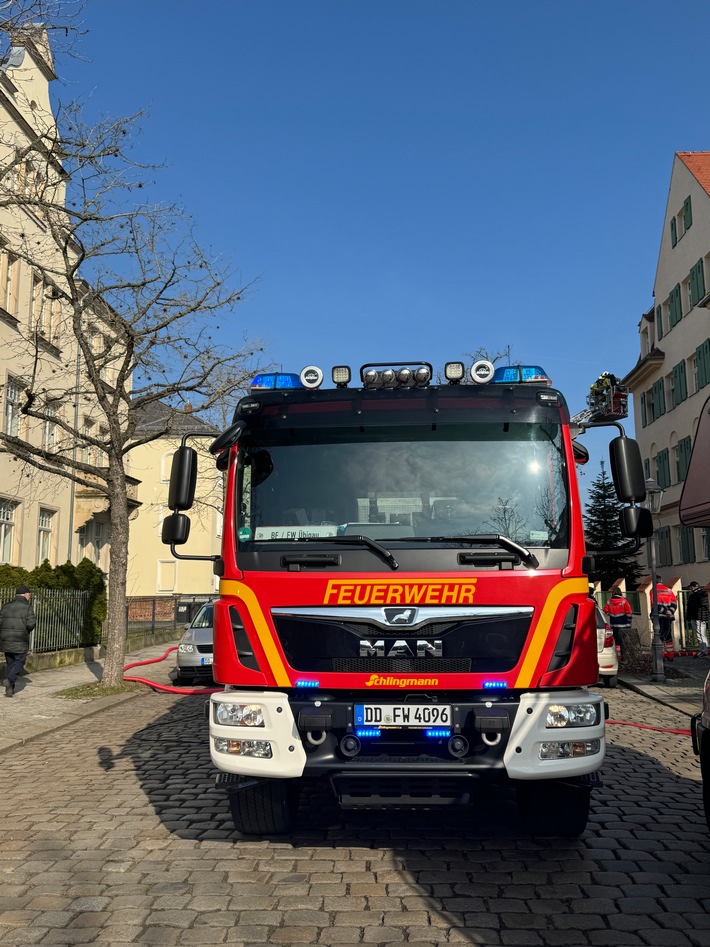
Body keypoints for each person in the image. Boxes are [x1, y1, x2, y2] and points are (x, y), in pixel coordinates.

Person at [0, 584, 36, 697]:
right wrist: (25, 630)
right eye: (29, 594)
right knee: (20, 661)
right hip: (20, 639)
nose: (29, 597)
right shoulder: (28, 607)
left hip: (6, 639)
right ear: (25, 594)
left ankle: (10, 690)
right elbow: (31, 623)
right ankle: (9, 680)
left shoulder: (6, 606)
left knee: (10, 662)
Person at [603, 588, 632, 658]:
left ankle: (618, 655)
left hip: (614, 624)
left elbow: (605, 610)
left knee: (616, 639)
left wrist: (611, 615)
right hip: (624, 624)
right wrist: (629, 621)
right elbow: (629, 612)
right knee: (624, 640)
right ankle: (625, 655)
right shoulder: (624, 601)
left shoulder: (609, 601)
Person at [654, 579, 677, 661]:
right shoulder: (668, 590)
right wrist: (670, 611)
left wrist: (664, 611)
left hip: (659, 616)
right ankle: (670, 655)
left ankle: (662, 655)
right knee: (668, 635)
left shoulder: (653, 590)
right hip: (668, 617)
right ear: (661, 580)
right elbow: (674, 602)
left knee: (659, 635)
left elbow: (654, 604)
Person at [687, 581, 710, 658]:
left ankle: (704, 651)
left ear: (693, 587)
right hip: (695, 617)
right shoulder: (694, 595)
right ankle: (703, 650)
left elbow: (704, 606)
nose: (690, 588)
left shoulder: (701, 594)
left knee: (701, 634)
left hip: (699, 617)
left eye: (691, 587)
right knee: (699, 634)